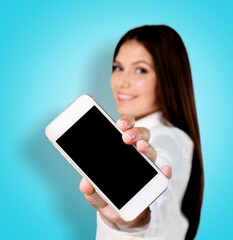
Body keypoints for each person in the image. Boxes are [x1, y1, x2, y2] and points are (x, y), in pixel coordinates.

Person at [79, 24, 204, 240]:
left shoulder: (169, 138)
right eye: (118, 67)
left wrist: (135, 217)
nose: (122, 82)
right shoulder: (124, 135)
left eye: (141, 69)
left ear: (169, 77)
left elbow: (158, 206)